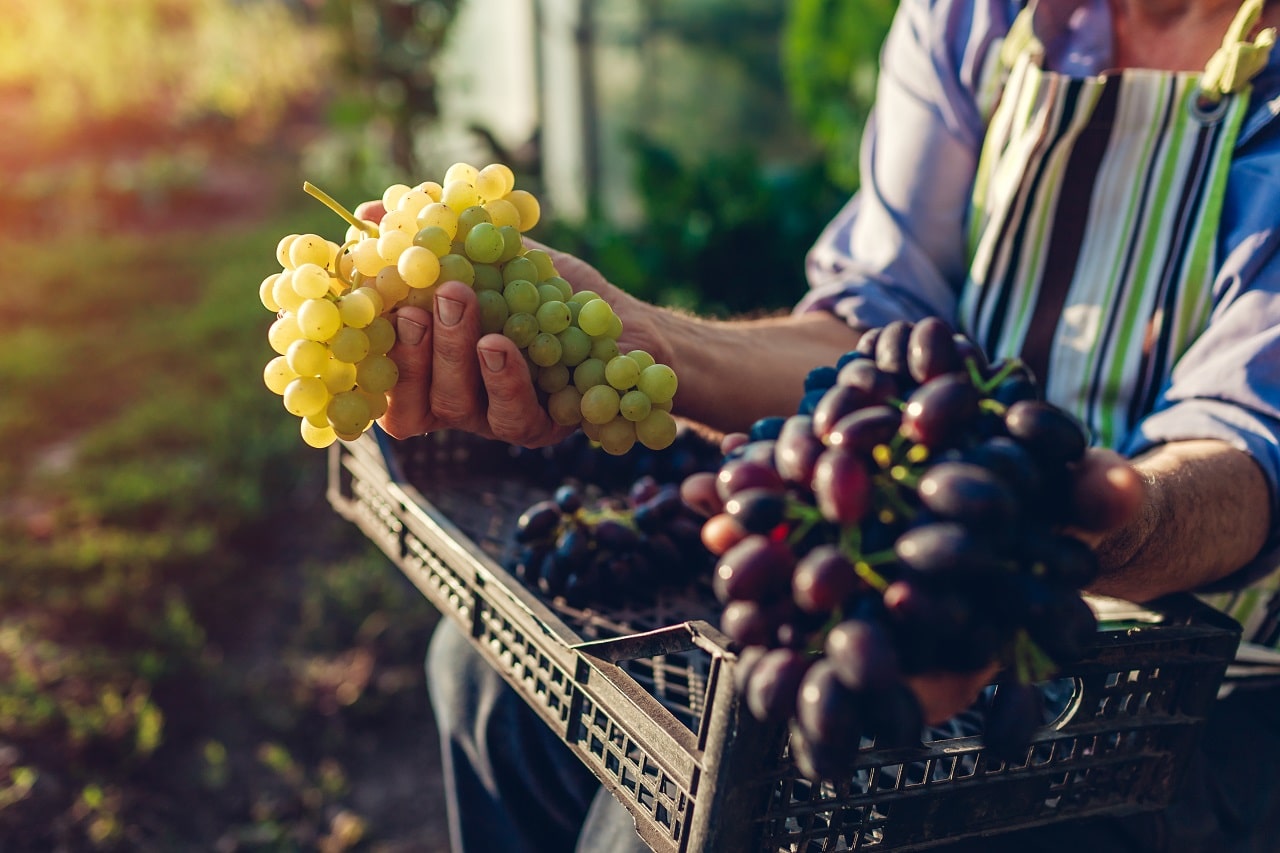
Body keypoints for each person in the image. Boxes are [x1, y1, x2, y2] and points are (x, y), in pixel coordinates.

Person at [376, 0, 1280, 848]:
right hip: (903, 575)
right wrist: (639, 339)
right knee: (488, 683)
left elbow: (1246, 455)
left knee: (696, 816)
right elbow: (868, 328)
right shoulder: (980, 16)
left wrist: (1084, 528)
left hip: (1207, 692)